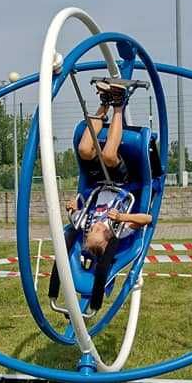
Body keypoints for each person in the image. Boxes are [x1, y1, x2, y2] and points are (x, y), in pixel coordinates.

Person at [66, 78, 152, 259]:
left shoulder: (85, 223)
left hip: (98, 181)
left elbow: (75, 211)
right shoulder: (119, 230)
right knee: (108, 155)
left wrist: (72, 207)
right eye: (98, 230)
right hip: (121, 182)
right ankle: (119, 105)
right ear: (107, 240)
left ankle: (104, 103)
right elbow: (147, 219)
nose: (95, 226)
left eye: (90, 232)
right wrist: (122, 217)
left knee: (84, 150)